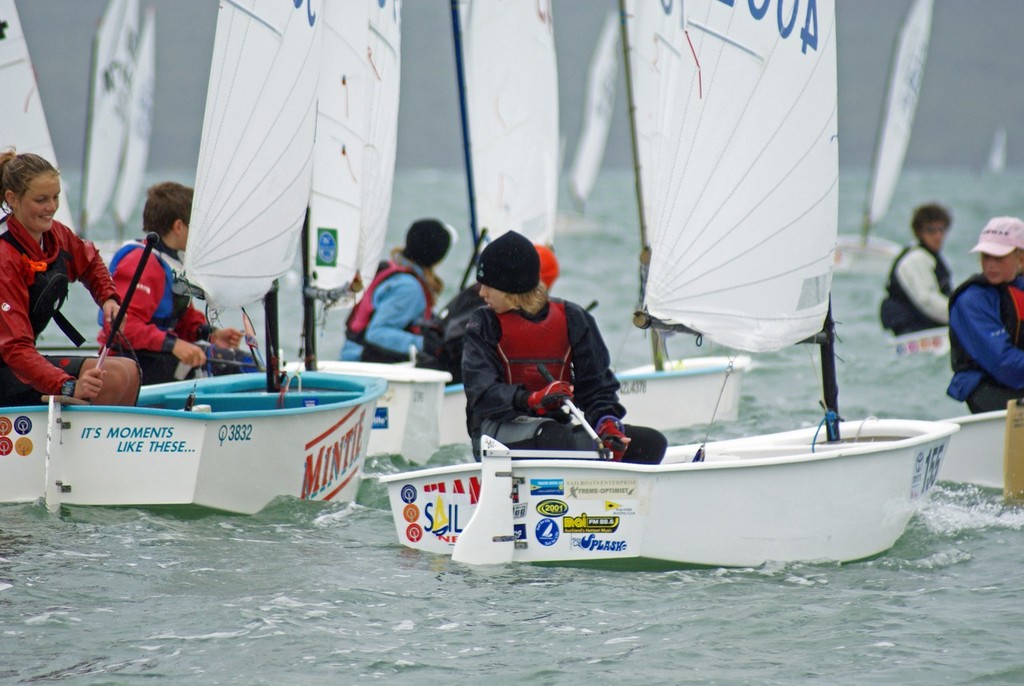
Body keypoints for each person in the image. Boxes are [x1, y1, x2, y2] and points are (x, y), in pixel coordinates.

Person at [461, 230, 666, 464]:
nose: (481, 292)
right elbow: (482, 394)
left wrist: (607, 423)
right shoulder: (483, 324)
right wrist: (532, 399)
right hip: (496, 434)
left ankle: (612, 495)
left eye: (488, 285)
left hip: (555, 434)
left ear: (511, 288)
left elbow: (597, 387)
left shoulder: (574, 318)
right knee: (553, 436)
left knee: (650, 443)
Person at [0, 150, 139, 406]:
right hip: (10, 363)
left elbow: (89, 261)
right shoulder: (4, 257)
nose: (51, 207)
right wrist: (67, 385)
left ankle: (102, 444)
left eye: (56, 197)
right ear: (13, 199)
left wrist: (108, 299)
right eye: (41, 200)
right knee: (113, 379)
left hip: (18, 364)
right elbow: (15, 350)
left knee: (128, 371)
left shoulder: (56, 235)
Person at [98, 182, 249, 385]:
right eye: (195, 225)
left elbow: (180, 318)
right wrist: (173, 345)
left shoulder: (168, 262)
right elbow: (120, 327)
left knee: (237, 360)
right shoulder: (141, 262)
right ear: (179, 226)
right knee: (240, 365)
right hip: (129, 366)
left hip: (153, 358)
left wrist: (210, 333)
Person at [417, 242, 559, 384]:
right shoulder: (496, 305)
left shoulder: (481, 289)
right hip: (447, 374)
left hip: (430, 359)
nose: (483, 292)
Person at [342, 218, 452, 363]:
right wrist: (424, 344)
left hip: (350, 356)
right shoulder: (409, 288)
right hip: (361, 363)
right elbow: (377, 333)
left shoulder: (392, 268)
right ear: (438, 258)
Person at [947, 216, 1024, 413]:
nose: (990, 264)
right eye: (985, 256)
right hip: (987, 387)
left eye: (998, 257)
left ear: (1021, 257)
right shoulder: (971, 300)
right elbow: (1003, 364)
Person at [880, 203, 954, 335]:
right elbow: (927, 301)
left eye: (941, 230)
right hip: (912, 332)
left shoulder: (931, 257)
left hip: (924, 328)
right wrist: (962, 317)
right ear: (919, 232)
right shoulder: (916, 259)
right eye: (931, 230)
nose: (937, 236)